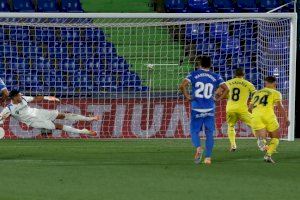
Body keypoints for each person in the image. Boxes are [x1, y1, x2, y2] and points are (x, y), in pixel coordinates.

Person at [179, 56, 228, 165]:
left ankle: (198, 147)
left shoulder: (194, 74)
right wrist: (218, 98)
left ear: (199, 64)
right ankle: (208, 158)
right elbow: (226, 88)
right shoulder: (216, 76)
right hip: (210, 108)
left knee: (194, 131)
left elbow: (182, 86)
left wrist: (187, 96)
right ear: (210, 65)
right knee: (209, 133)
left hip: (196, 108)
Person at [0, 90, 99, 135]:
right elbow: (1, 118)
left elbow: (35, 98)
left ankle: (89, 118)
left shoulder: (23, 99)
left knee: (62, 115)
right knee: (58, 126)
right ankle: (83, 131)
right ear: (13, 98)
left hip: (38, 112)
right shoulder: (9, 109)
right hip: (34, 121)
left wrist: (48, 97)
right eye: (18, 96)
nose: (20, 96)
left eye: (20, 95)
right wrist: (1, 122)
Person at [249, 76, 289, 163]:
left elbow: (250, 108)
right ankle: (268, 155)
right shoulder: (276, 92)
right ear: (275, 83)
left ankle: (262, 141)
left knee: (263, 138)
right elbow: (280, 107)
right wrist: (286, 118)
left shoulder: (256, 93)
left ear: (265, 83)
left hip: (255, 115)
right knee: (276, 137)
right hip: (268, 115)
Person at [224, 68, 256, 151]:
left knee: (231, 126)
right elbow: (256, 94)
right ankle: (262, 143)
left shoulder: (228, 83)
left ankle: (233, 145)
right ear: (244, 74)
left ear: (234, 74)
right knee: (254, 124)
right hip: (243, 109)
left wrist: (226, 97)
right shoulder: (248, 84)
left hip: (230, 108)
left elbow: (222, 93)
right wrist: (251, 104)